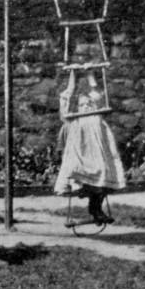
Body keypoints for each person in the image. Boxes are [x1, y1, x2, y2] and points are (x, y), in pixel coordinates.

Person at [53, 72, 125, 223]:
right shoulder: (74, 111)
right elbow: (68, 95)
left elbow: (98, 95)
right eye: (83, 104)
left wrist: (91, 73)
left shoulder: (95, 106)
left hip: (97, 146)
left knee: (103, 172)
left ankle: (96, 208)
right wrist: (73, 73)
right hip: (81, 147)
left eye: (88, 104)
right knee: (77, 170)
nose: (86, 106)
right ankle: (92, 206)